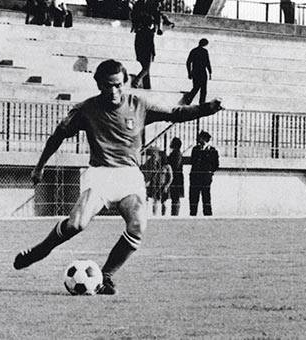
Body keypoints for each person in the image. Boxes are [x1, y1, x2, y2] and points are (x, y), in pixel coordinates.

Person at [13, 59, 224, 294]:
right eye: (107, 86)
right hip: (100, 175)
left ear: (125, 82)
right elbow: (58, 135)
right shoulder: (86, 109)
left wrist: (207, 108)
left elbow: (176, 113)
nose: (113, 91)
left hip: (129, 177)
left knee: (137, 225)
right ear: (98, 85)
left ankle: (106, 276)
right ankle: (39, 251)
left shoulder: (139, 105)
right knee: (76, 224)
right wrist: (39, 167)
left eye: (118, 85)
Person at [189, 130, 219, 216]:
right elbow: (193, 161)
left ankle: (207, 215)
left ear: (205, 139)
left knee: (206, 197)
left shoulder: (212, 150)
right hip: (195, 177)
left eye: (201, 138)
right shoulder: (195, 149)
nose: (199, 140)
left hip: (205, 178)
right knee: (194, 197)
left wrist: (209, 173)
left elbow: (215, 165)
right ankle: (193, 214)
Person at [130, 0, 157, 89]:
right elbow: (151, 44)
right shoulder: (149, 33)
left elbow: (136, 44)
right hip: (147, 53)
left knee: (146, 69)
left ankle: (147, 87)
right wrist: (153, 54)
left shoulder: (139, 32)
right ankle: (136, 81)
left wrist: (137, 54)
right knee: (146, 69)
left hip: (140, 52)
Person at [140, 147, 172, 216]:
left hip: (163, 186)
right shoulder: (156, 165)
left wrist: (166, 186)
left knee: (164, 202)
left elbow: (170, 178)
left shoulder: (167, 166)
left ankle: (164, 215)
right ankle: (155, 215)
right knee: (155, 201)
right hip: (156, 184)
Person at [183, 38, 212, 105]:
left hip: (195, 72)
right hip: (202, 72)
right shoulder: (205, 51)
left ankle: (188, 101)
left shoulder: (193, 51)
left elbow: (188, 62)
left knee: (195, 87)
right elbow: (207, 62)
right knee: (203, 89)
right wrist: (210, 72)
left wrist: (189, 73)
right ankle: (201, 103)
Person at [165, 137, 184, 216]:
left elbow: (175, 166)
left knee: (175, 197)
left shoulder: (176, 154)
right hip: (176, 177)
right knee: (174, 197)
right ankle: (174, 213)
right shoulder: (176, 153)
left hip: (176, 178)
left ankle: (175, 214)